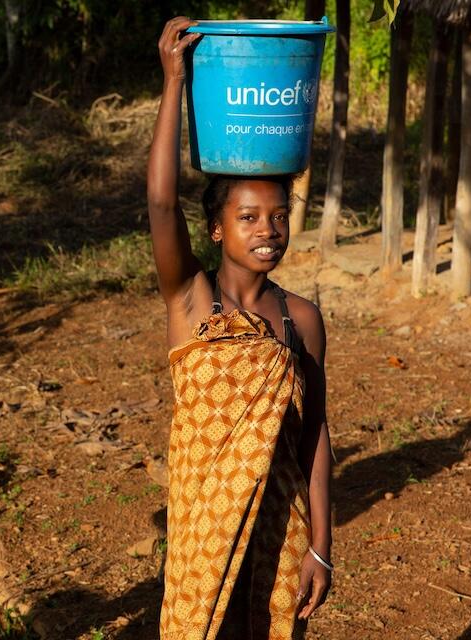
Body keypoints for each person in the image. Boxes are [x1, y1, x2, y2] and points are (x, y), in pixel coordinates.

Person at [147, 17, 333, 640]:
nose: (267, 230)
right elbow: (161, 203)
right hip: (203, 534)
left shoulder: (300, 317)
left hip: (280, 534)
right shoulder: (191, 300)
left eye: (278, 216)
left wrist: (322, 546)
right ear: (217, 229)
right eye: (248, 216)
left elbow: (316, 437)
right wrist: (175, 82)